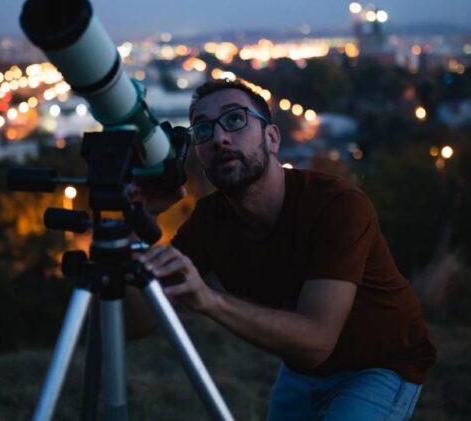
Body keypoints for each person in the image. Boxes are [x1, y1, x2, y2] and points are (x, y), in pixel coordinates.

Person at [131, 79, 436, 420]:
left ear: (272, 138)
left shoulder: (337, 205)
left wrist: (209, 300)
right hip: (302, 369)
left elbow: (318, 341)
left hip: (381, 365)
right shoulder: (210, 221)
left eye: (234, 120)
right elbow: (138, 323)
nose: (219, 138)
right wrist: (138, 221)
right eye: (203, 129)